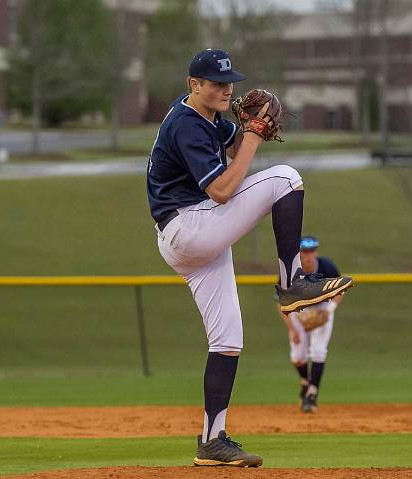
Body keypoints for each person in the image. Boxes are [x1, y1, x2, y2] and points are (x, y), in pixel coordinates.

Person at [146, 49, 352, 467]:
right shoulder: (186, 125)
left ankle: (211, 442)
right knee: (286, 179)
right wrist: (254, 135)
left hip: (194, 236)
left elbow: (233, 150)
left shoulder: (202, 118)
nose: (227, 90)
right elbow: (221, 190)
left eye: (229, 82)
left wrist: (245, 130)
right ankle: (291, 282)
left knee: (227, 341)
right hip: (190, 226)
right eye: (217, 83)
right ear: (194, 85)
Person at [277, 235, 344, 413]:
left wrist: (329, 311)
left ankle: (312, 395)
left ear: (316, 251)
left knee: (318, 351)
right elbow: (281, 303)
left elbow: (339, 291)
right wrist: (292, 330)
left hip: (322, 307)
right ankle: (305, 381)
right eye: (305, 251)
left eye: (312, 251)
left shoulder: (327, 267)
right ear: (299, 253)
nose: (308, 255)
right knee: (298, 356)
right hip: (298, 310)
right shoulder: (290, 271)